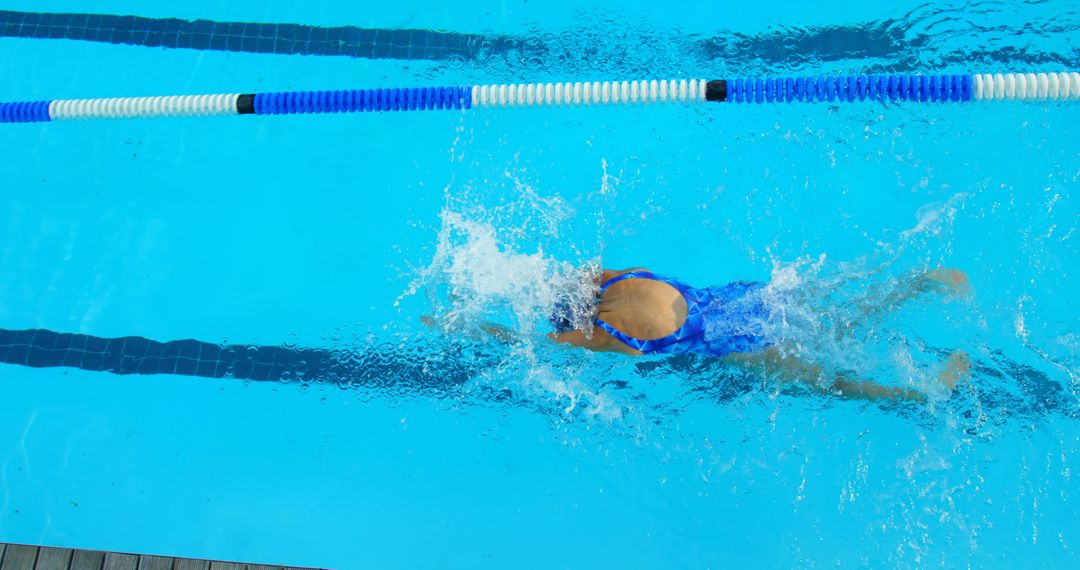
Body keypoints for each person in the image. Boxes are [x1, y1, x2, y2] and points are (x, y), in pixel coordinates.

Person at [547, 267, 972, 402]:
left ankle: (920, 395)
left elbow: (544, 347)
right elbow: (586, 270)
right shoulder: (627, 277)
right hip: (745, 301)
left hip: (738, 347)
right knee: (838, 320)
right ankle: (917, 285)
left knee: (832, 384)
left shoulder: (608, 335)